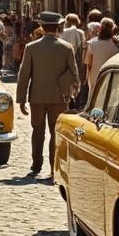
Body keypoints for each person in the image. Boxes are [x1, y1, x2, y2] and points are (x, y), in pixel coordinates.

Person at [16, 12, 78, 178]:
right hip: (59, 97)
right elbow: (74, 72)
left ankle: (36, 165)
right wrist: (74, 90)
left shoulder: (31, 47)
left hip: (37, 97)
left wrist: (21, 99)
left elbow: (24, 75)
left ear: (42, 27)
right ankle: (53, 167)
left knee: (37, 131)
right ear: (58, 27)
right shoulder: (66, 47)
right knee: (55, 132)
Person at [85, 20, 119, 89]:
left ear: (100, 30)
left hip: (94, 76)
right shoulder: (115, 46)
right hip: (108, 77)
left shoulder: (92, 43)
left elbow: (89, 64)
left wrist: (87, 77)